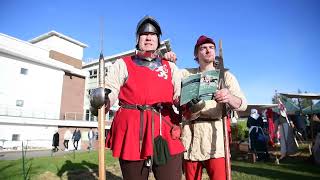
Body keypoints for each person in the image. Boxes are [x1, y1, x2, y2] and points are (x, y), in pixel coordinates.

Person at [90, 16, 184, 180]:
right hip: (132, 130)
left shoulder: (171, 67)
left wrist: (188, 101)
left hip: (165, 128)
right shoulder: (122, 64)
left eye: (153, 34)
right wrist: (103, 100)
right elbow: (112, 90)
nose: (148, 37)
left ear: (158, 40)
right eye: (144, 34)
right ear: (137, 39)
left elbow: (179, 95)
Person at [180, 35, 247, 180]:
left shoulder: (226, 76)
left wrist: (228, 96)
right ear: (196, 54)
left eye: (211, 48)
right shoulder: (185, 74)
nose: (208, 51)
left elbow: (243, 104)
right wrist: (168, 58)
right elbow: (169, 78)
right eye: (203, 48)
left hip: (215, 139)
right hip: (191, 137)